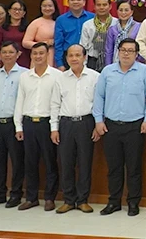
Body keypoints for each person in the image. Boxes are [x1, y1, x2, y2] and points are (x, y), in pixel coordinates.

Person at [93, 38, 146, 216]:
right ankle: (114, 201)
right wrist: (98, 120)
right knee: (114, 167)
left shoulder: (144, 72)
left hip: (135, 126)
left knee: (134, 167)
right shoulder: (107, 72)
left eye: (131, 51)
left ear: (137, 54)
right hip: (111, 125)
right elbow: (99, 97)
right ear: (118, 51)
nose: (126, 53)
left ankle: (133, 202)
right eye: (123, 50)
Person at [51, 44, 100, 214]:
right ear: (66, 58)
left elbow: (99, 103)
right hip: (66, 124)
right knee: (66, 163)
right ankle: (69, 200)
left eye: (77, 55)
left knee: (85, 163)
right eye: (70, 55)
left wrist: (96, 125)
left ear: (85, 57)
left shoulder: (95, 77)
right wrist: (54, 128)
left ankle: (83, 200)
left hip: (86, 123)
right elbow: (55, 104)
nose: (74, 58)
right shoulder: (61, 78)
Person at [14, 42, 60, 212]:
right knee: (30, 162)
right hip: (28, 123)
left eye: (41, 53)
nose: (38, 56)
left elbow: (57, 104)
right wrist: (18, 126)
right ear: (31, 55)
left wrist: (54, 126)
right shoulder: (25, 76)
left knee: (49, 162)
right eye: (35, 54)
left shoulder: (56, 76)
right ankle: (31, 198)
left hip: (47, 123)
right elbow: (20, 101)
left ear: (47, 54)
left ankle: (49, 197)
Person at [0, 42, 26, 209]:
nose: (7, 55)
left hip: (14, 124)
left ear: (18, 54)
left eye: (11, 52)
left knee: (17, 160)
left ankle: (16, 194)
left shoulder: (24, 74)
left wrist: (20, 126)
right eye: (4, 52)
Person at [54, 0, 94, 70]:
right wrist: (60, 64)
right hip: (69, 58)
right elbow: (58, 44)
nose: (75, 2)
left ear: (84, 2)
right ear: (68, 2)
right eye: (72, 0)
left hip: (89, 57)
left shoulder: (93, 17)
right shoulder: (61, 20)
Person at [80, 0, 113, 72]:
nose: (101, 7)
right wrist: (83, 65)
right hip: (92, 61)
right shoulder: (87, 25)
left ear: (110, 6)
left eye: (104, 5)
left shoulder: (116, 23)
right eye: (98, 5)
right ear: (94, 7)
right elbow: (83, 46)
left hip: (111, 60)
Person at [0, 0, 30, 68]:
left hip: (24, 60)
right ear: (9, 11)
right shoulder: (2, 28)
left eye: (20, 10)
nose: (17, 12)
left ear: (24, 13)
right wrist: (7, 53)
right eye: (14, 9)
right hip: (7, 61)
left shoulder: (28, 28)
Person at [23, 0, 59, 68]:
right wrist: (44, 44)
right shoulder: (36, 22)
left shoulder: (59, 22)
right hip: (40, 57)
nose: (47, 8)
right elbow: (25, 42)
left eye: (50, 6)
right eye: (44, 6)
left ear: (55, 7)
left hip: (57, 57)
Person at [104, 0, 142, 66]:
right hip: (116, 64)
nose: (123, 13)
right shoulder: (112, 29)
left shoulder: (139, 27)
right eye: (121, 10)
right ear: (117, 11)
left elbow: (141, 48)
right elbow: (109, 51)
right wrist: (108, 67)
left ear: (131, 12)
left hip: (135, 64)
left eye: (126, 10)